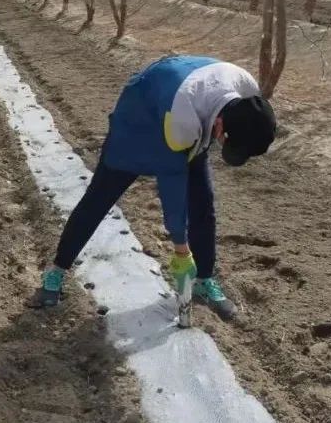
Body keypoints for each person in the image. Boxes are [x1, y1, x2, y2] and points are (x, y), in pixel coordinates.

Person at [33, 55, 277, 323]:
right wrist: (181, 251)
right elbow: (171, 186)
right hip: (138, 122)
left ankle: (204, 280)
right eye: (225, 141)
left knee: (203, 206)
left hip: (188, 108)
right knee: (99, 199)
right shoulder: (183, 117)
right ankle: (56, 272)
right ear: (220, 125)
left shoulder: (247, 93)